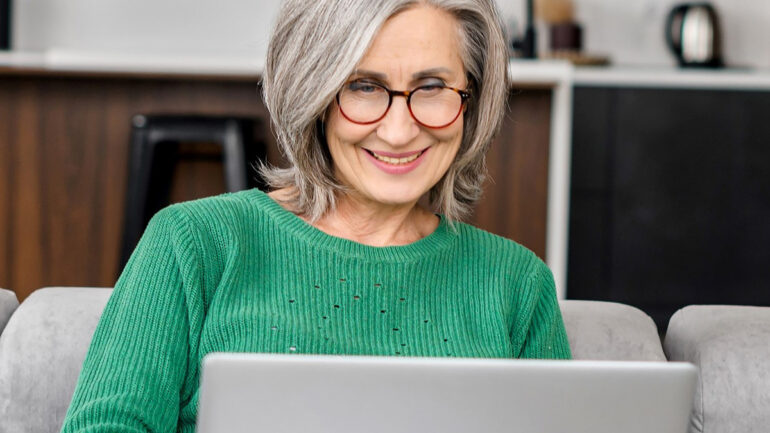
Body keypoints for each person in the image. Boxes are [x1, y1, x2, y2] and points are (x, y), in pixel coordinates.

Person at [61, 0, 571, 431]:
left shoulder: (517, 284)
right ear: (316, 97)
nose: (398, 131)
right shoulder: (192, 244)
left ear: (471, 102)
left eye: (433, 86)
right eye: (364, 87)